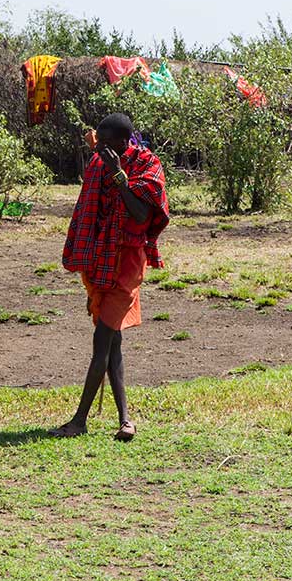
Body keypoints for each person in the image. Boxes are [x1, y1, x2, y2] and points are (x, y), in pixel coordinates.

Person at [52, 113, 168, 441]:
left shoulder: (146, 165)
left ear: (123, 142)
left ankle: (79, 420)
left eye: (106, 144)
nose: (99, 149)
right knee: (113, 344)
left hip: (127, 263)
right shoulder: (99, 163)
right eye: (98, 143)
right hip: (100, 260)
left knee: (102, 342)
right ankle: (125, 420)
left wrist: (120, 177)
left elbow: (143, 213)